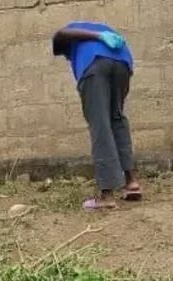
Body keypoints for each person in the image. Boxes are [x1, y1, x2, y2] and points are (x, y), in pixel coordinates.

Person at [53, 22, 143, 211]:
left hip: (96, 66)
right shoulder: (103, 28)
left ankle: (106, 195)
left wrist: (98, 37)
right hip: (122, 62)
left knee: (100, 124)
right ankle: (131, 182)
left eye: (66, 56)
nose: (69, 59)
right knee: (117, 119)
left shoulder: (75, 33)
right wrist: (102, 36)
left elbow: (60, 34)